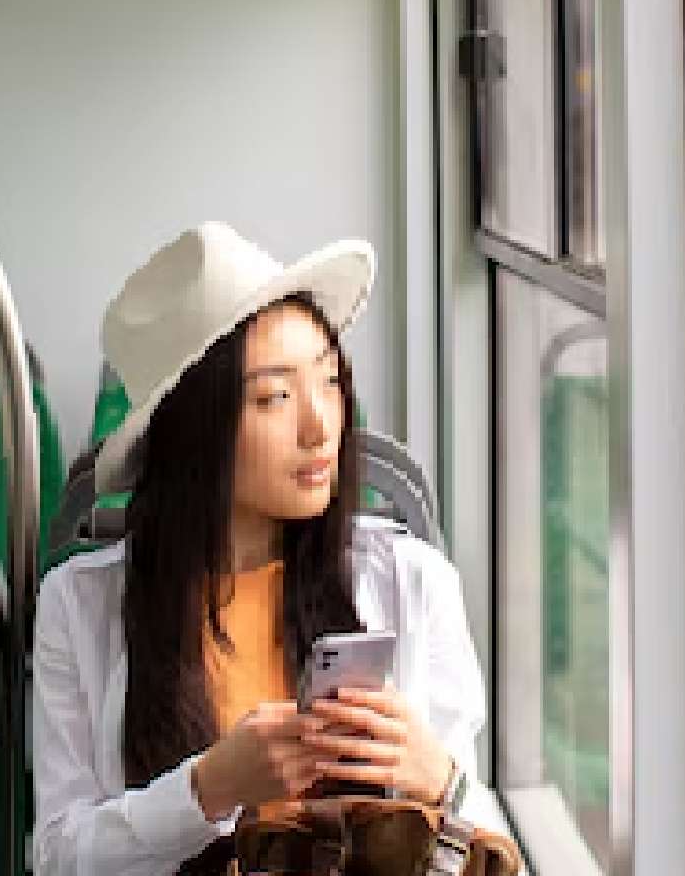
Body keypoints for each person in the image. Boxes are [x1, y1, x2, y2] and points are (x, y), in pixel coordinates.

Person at [32, 222, 501, 875]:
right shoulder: (78, 604)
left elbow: (489, 845)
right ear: (194, 428)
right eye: (275, 397)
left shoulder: (411, 580)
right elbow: (56, 857)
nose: (320, 426)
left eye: (329, 380)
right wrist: (207, 789)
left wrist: (442, 782)